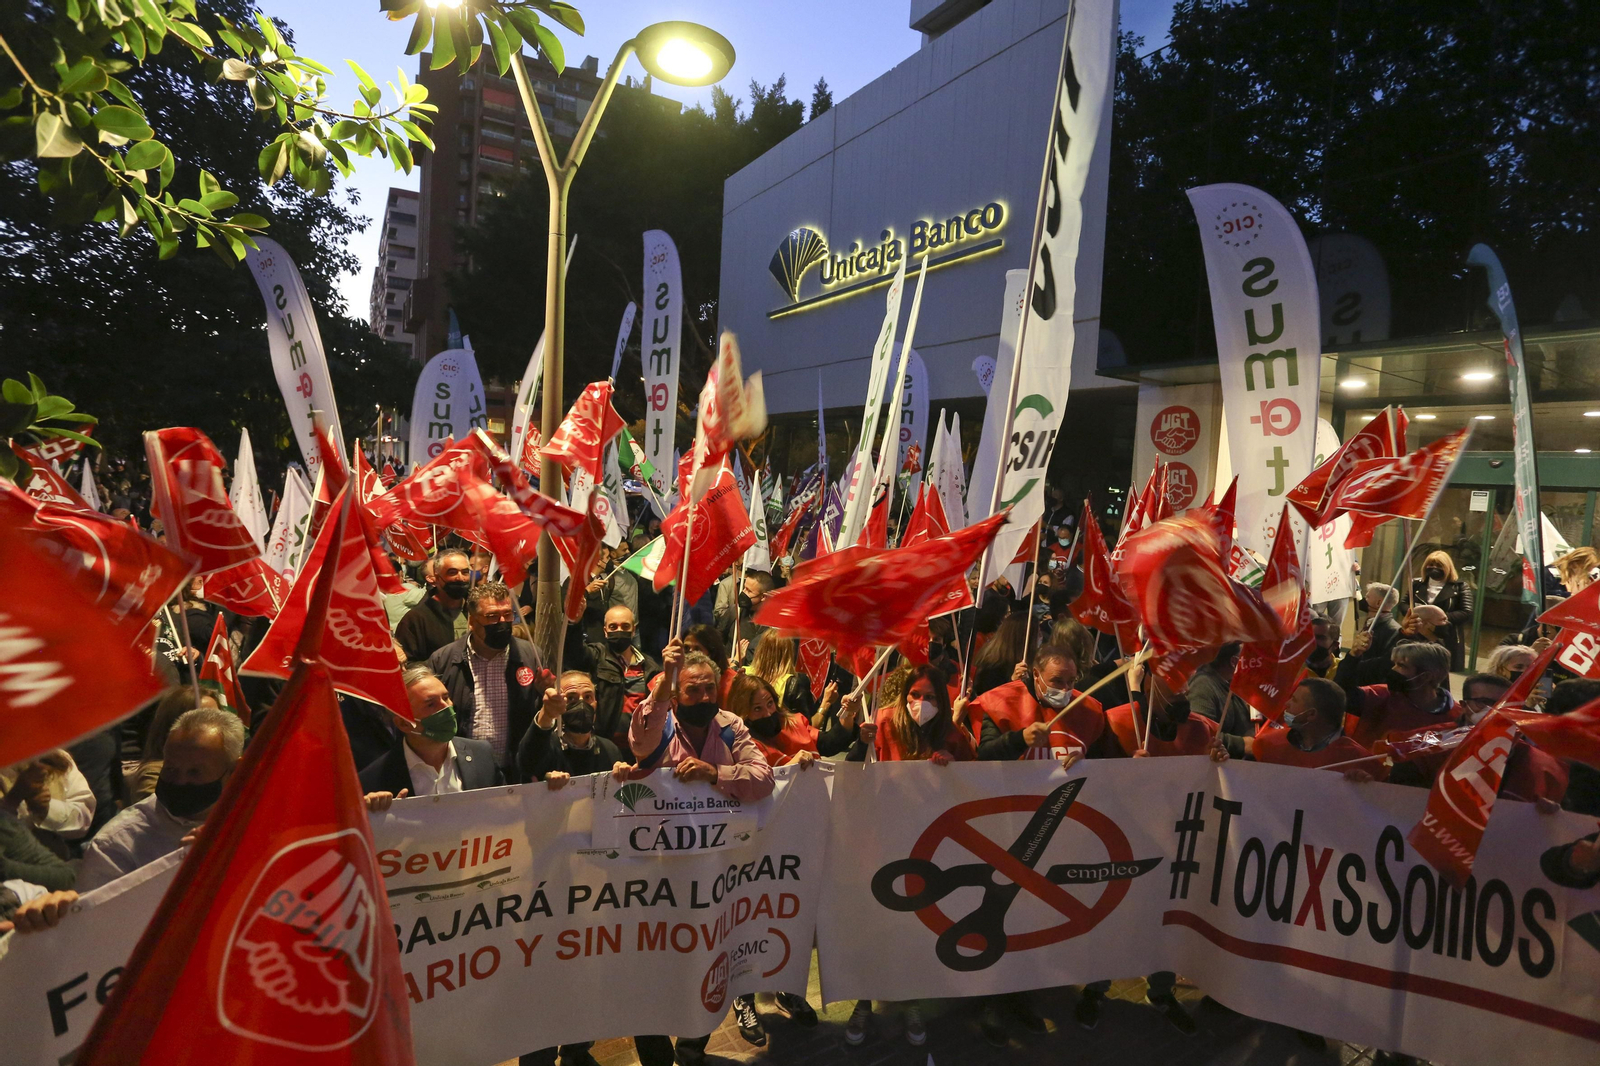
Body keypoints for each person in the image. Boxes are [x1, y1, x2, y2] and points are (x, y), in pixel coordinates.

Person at [628, 639, 778, 1066]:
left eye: (710, 688)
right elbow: (641, 744)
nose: (704, 697)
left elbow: (762, 778)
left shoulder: (730, 725)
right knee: (653, 968)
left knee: (709, 962)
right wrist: (660, 688)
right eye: (693, 690)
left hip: (713, 875)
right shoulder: (661, 721)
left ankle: (692, 1049)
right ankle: (656, 1055)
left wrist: (716, 772)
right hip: (657, 875)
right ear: (675, 694)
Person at [845, 664, 972, 1049]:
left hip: (928, 848)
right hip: (879, 842)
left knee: (916, 924)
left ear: (942, 701)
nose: (920, 703)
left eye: (929, 697)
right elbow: (853, 774)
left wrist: (953, 765)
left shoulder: (952, 734)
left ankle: (912, 999)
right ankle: (864, 1000)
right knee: (873, 924)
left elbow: (978, 780)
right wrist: (857, 740)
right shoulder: (882, 723)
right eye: (914, 696)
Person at [1079, 658, 1198, 1035]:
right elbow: (1089, 780)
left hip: (1175, 846)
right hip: (1120, 846)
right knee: (1110, 916)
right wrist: (1125, 770)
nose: (1182, 689)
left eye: (1186, 681)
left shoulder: (1201, 729)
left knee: (1166, 922)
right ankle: (1096, 987)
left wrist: (1223, 763)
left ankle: (1160, 992)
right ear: (1145, 681)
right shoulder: (1113, 721)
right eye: (1172, 680)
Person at [78, 707, 244, 891]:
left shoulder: (256, 823)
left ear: (235, 771)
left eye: (195, 772)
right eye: (171, 769)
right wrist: (176, 871)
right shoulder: (116, 844)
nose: (180, 781)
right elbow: (100, 917)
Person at [428, 580, 548, 783]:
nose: (502, 622)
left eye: (507, 614)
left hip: (515, 770)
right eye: (492, 616)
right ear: (472, 621)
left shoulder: (532, 656)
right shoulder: (444, 660)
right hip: (462, 772)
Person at [360, 666, 501, 807]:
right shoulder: (374, 780)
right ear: (404, 724)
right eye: (431, 704)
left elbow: (504, 813)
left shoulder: (482, 755)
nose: (446, 707)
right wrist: (382, 816)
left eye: (446, 698)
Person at [970, 643, 1113, 764]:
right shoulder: (1000, 702)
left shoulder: (1088, 709)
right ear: (1036, 675)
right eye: (1057, 681)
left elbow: (1102, 757)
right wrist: (1020, 739)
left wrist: (1086, 762)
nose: (1065, 689)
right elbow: (985, 755)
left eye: (1071, 681)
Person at [565, 605, 661, 750]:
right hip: (604, 746)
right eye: (613, 627)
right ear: (605, 631)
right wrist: (574, 623)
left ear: (633, 630)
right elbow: (575, 654)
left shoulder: (649, 666)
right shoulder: (597, 655)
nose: (619, 631)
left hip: (639, 747)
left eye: (625, 626)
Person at [1334, 640, 1456, 749]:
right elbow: (1341, 696)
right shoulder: (1380, 697)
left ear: (1425, 676)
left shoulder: (1456, 716)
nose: (1393, 670)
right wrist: (1353, 656)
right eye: (1394, 664)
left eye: (1401, 666)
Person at [1234, 678, 1375, 770]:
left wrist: (1364, 786)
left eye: (1294, 700)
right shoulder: (1269, 745)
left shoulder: (1359, 763)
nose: (1286, 704)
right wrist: (1221, 761)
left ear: (1311, 714)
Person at [517, 670, 627, 785]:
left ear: (596, 703)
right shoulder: (546, 746)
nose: (581, 704)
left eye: (587, 697)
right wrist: (546, 714)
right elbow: (526, 765)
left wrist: (623, 773)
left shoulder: (610, 750)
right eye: (570, 698)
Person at [726, 672, 860, 766]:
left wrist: (848, 711)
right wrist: (791, 766)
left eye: (770, 703)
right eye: (757, 709)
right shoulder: (740, 744)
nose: (767, 713)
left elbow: (829, 744)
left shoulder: (793, 723)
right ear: (743, 712)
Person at [395, 548, 473, 663]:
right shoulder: (416, 619)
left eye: (465, 572)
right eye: (452, 572)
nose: (460, 578)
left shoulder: (476, 610)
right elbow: (409, 666)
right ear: (436, 578)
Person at [1185, 643, 1255, 758]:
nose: (1249, 660)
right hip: (1227, 769)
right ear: (1234, 662)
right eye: (1244, 656)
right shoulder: (1202, 685)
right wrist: (1242, 744)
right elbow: (1199, 733)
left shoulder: (1230, 681)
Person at [1408, 550, 1473, 670]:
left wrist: (1437, 619)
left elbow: (1466, 612)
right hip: (1418, 635)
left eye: (1439, 565)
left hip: (1445, 637)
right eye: (1431, 564)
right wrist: (1415, 616)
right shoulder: (1416, 584)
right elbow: (1405, 604)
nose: (1434, 568)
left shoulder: (1460, 587)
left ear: (1447, 567)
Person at [748, 631, 817, 723]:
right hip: (780, 735)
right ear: (789, 652)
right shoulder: (794, 683)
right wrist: (825, 704)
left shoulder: (744, 674)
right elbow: (807, 728)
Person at [683, 623, 738, 704]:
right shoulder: (671, 677)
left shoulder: (733, 683)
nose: (690, 653)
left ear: (712, 653)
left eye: (697, 649)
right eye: (686, 648)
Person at [1355, 582, 1401, 660]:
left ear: (1379, 603)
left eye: (1367, 597)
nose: (1364, 600)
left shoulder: (1391, 630)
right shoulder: (1372, 623)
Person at [1304, 615, 1340, 679]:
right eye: (1310, 636)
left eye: (1320, 638)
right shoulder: (1292, 669)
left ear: (1335, 645)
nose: (1313, 642)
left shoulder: (1343, 669)